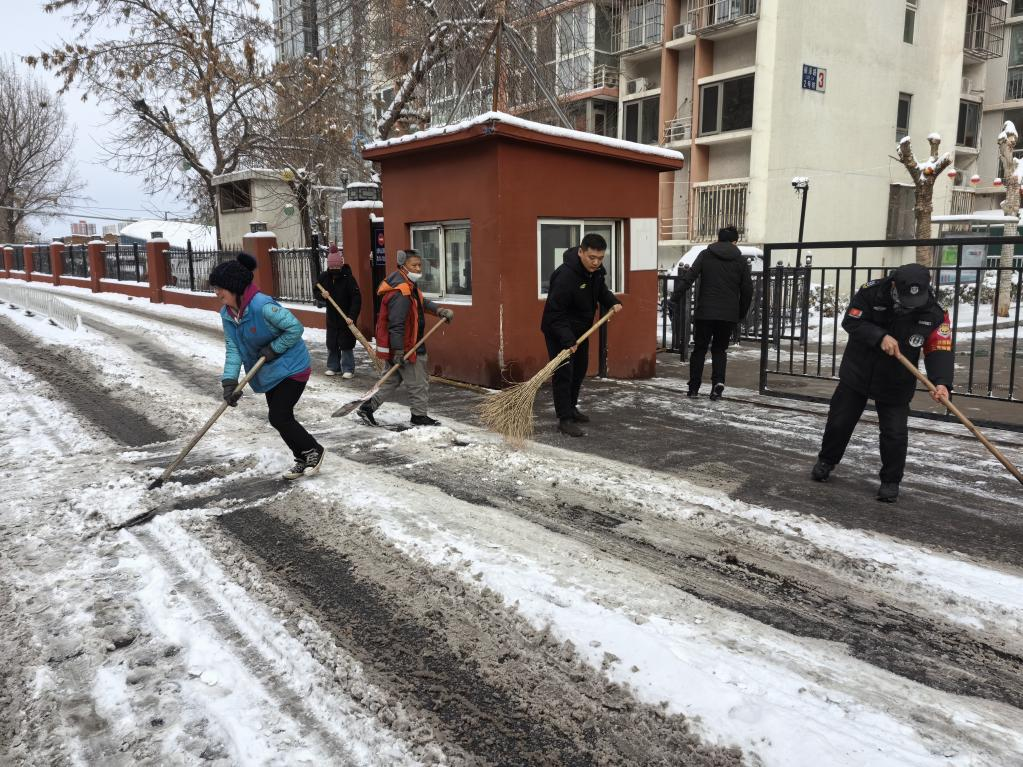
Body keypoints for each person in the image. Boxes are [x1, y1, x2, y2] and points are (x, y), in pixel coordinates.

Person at [811, 263, 953, 503]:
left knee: (895, 433)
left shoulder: (935, 312)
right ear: (895, 285)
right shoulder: (870, 293)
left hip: (897, 379)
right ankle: (826, 461)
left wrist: (942, 382)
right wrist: (879, 337)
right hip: (859, 370)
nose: (910, 305)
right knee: (840, 421)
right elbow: (852, 322)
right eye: (906, 298)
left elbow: (939, 348)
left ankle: (890, 481)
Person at [210, 253, 324, 480]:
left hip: (293, 367)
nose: (217, 292)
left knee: (279, 416)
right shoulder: (228, 314)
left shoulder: (262, 305)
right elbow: (234, 349)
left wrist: (274, 349)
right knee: (279, 417)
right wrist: (229, 382)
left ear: (234, 286)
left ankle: (314, 451)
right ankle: (302, 457)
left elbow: (295, 328)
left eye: (220, 287)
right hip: (270, 372)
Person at [357, 249, 454, 427]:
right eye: (414, 265)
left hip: (403, 346)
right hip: (409, 346)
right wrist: (400, 351)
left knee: (390, 381)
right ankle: (419, 416)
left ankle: (367, 407)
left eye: (419, 265)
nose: (418, 269)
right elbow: (396, 324)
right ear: (403, 266)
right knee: (419, 383)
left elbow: (421, 302)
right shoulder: (401, 291)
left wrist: (439, 310)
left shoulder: (406, 284)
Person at [540, 233, 623, 438]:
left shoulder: (595, 273)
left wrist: (612, 301)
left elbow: (600, 290)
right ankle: (564, 419)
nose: (596, 262)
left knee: (579, 371)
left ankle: (572, 408)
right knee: (564, 374)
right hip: (559, 331)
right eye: (591, 257)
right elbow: (554, 313)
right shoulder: (565, 276)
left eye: (600, 258)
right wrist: (568, 340)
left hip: (582, 330)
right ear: (580, 252)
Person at [671, 225, 753, 400]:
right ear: (735, 241)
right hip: (728, 315)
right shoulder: (740, 261)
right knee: (719, 350)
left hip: (705, 313)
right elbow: (747, 290)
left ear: (718, 239)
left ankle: (693, 388)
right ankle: (718, 383)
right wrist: (740, 314)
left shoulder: (706, 255)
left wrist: (674, 298)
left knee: (699, 349)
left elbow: (689, 278)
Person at [316, 242, 362, 379]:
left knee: (346, 344)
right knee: (332, 343)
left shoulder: (348, 278)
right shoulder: (324, 277)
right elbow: (316, 291)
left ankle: (348, 368)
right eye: (332, 267)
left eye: (337, 266)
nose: (334, 269)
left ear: (341, 264)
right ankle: (333, 367)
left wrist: (352, 316)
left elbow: (356, 298)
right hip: (332, 317)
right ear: (329, 266)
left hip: (346, 317)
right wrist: (321, 296)